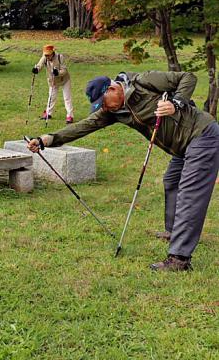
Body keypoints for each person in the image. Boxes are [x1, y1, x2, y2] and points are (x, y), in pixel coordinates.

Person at [27, 70, 219, 271]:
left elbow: (187, 77)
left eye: (104, 102)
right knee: (171, 181)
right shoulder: (114, 110)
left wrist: (176, 103)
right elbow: (85, 125)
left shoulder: (143, 82)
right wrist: (47, 139)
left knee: (189, 195)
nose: (104, 108)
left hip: (202, 135)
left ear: (112, 89)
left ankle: (179, 259)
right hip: (182, 147)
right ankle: (173, 231)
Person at [33, 44, 74, 124]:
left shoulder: (60, 57)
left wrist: (58, 72)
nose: (47, 57)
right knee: (51, 97)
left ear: (52, 52)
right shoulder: (44, 57)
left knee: (67, 98)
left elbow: (64, 70)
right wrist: (36, 69)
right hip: (53, 81)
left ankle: (70, 116)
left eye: (48, 55)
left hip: (64, 80)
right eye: (46, 55)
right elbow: (39, 65)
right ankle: (48, 113)